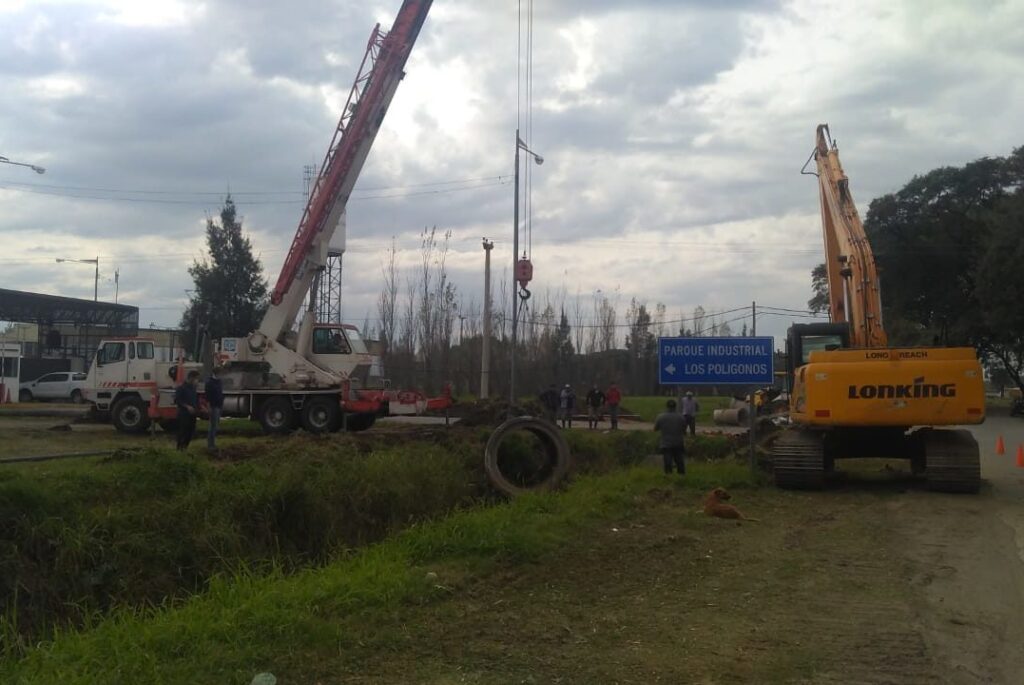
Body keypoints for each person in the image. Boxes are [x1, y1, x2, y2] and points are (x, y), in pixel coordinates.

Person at [654, 399, 687, 475]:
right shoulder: (681, 417)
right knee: (679, 461)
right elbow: (684, 430)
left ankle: (669, 476)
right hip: (678, 442)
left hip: (666, 443)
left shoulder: (661, 417)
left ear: (667, 407)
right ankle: (681, 476)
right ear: (675, 407)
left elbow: (655, 429)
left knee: (667, 462)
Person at [174, 370, 201, 451]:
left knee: (190, 432)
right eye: (196, 379)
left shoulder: (193, 389)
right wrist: (187, 406)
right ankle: (179, 449)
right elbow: (177, 400)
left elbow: (195, 400)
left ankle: (185, 448)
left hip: (192, 414)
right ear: (191, 378)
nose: (197, 381)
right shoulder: (181, 388)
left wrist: (199, 408)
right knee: (183, 432)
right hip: (184, 414)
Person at [205, 366, 224, 451]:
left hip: (219, 406)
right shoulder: (210, 383)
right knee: (213, 426)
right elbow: (207, 396)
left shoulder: (219, 381)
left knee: (215, 426)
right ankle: (210, 445)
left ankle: (213, 444)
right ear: (216, 373)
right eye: (220, 373)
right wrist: (209, 407)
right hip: (213, 406)